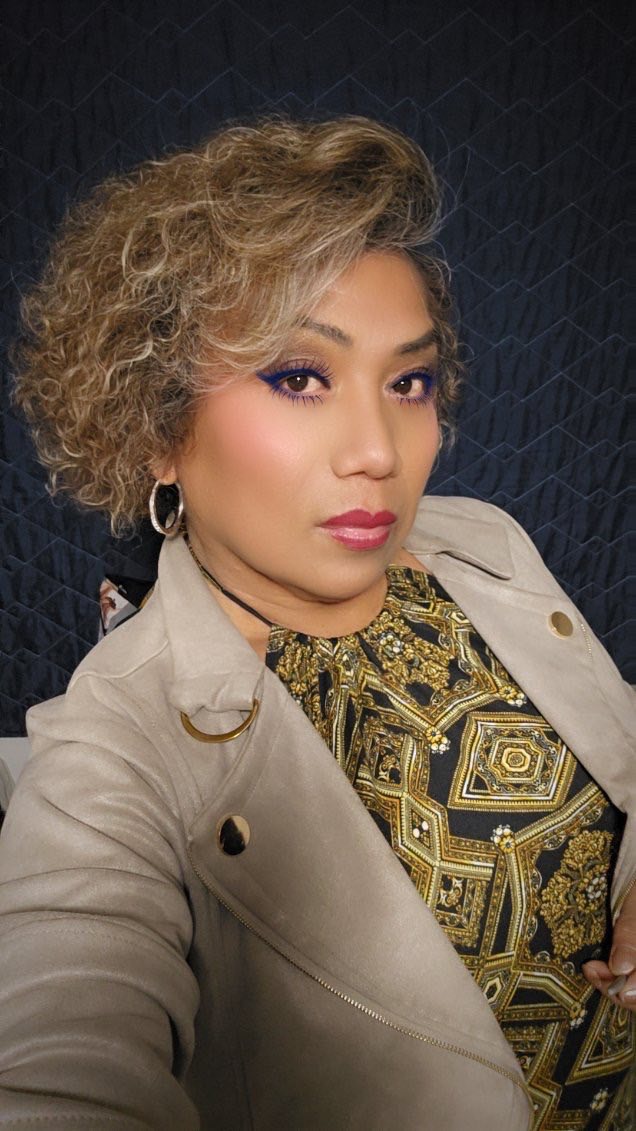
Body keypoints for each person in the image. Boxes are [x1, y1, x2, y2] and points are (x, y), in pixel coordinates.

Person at [1, 116, 633, 1131]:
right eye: (300, 378)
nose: (378, 450)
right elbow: (57, 1059)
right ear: (156, 424)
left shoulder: (483, 541)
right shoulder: (110, 756)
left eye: (408, 382)